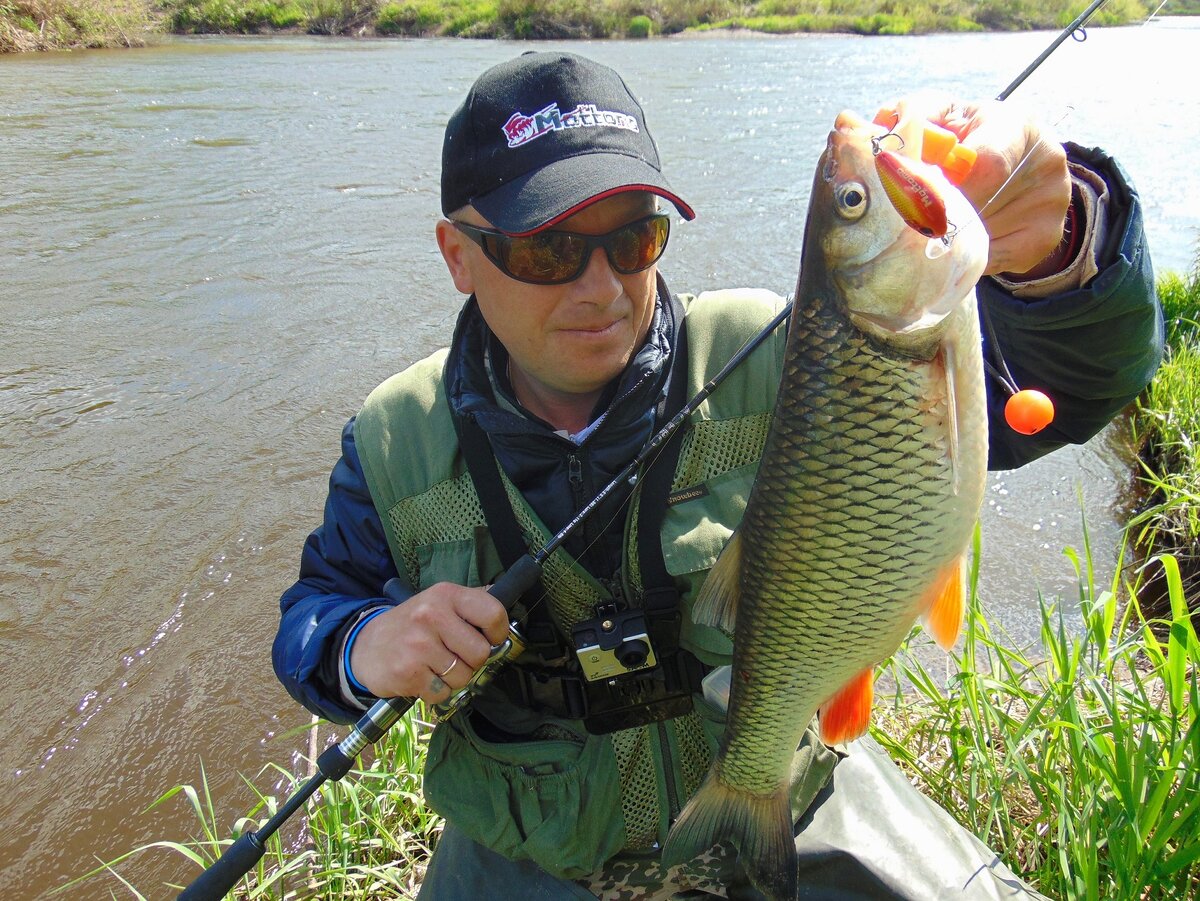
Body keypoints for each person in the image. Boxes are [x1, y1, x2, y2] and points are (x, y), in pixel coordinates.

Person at [272, 51, 1163, 900]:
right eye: (547, 250)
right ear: (458, 254)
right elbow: (312, 614)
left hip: (799, 792)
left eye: (633, 239)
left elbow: (1078, 385)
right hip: (533, 852)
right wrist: (364, 643)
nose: (600, 286)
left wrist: (1063, 243)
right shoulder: (395, 437)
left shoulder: (789, 353)